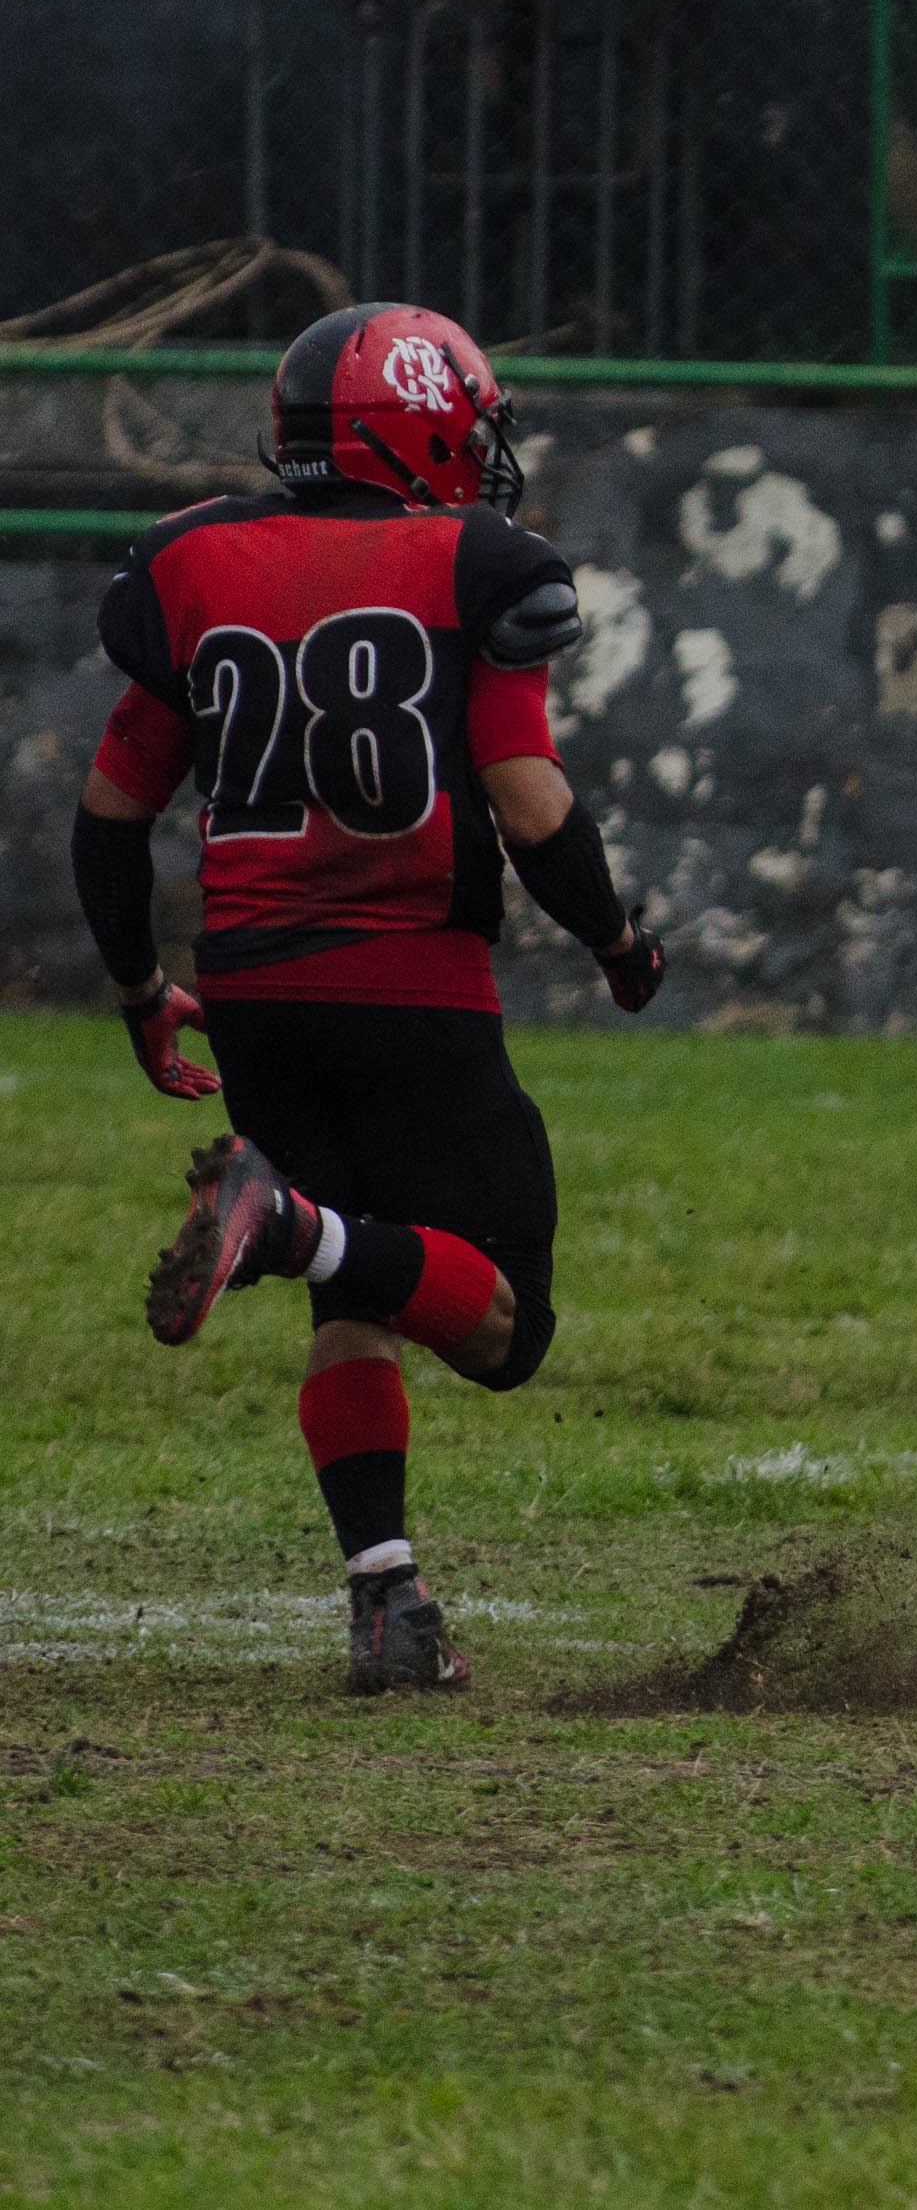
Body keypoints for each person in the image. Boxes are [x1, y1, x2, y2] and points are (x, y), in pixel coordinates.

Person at [76, 301, 666, 1693]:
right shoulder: (471, 563)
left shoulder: (197, 560)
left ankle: (387, 1602)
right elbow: (530, 801)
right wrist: (615, 937)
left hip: (256, 989)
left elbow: (111, 820)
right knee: (507, 1321)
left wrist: (139, 987)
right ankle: (277, 1220)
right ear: (416, 429)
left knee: (349, 1280)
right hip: (416, 989)